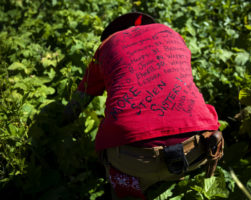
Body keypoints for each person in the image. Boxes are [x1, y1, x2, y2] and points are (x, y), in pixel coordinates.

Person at [62, 12, 224, 200]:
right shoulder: (171, 34)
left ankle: (130, 188)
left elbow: (79, 101)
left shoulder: (106, 46)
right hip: (195, 150)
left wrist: (59, 126)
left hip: (133, 160)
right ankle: (180, 176)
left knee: (119, 162)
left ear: (114, 34)